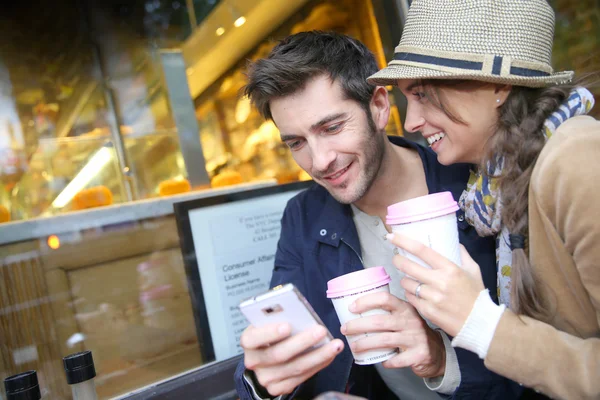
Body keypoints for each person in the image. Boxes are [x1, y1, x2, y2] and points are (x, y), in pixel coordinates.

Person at [234, 31, 522, 399]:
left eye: (332, 127)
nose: (319, 161)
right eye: (297, 143)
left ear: (380, 107)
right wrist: (261, 383)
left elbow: (543, 360)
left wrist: (440, 358)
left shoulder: (475, 187)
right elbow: (279, 341)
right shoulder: (304, 216)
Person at [367, 1, 600, 399]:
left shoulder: (575, 158)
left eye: (423, 94)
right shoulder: (495, 186)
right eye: (408, 98)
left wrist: (479, 322)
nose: (410, 123)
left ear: (500, 86)